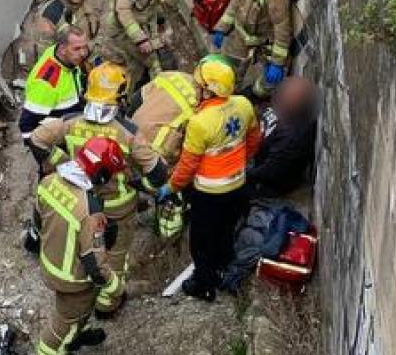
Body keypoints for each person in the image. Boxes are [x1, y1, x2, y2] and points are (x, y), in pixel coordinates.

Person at [26, 63, 139, 315]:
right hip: (118, 206)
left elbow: (36, 139)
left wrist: (62, 163)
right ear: (120, 97)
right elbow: (156, 173)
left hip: (81, 198)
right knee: (116, 254)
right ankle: (107, 304)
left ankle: (91, 294)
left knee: (88, 248)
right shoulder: (129, 133)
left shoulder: (70, 123)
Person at [27, 135, 127, 355]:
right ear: (101, 174)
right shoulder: (89, 211)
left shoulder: (50, 181)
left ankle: (76, 332)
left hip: (53, 260)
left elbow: (39, 220)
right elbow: (94, 263)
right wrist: (115, 287)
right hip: (73, 277)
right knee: (66, 319)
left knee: (75, 314)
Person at [163, 55, 261, 301]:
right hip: (238, 184)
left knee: (201, 241)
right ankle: (222, 266)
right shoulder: (243, 104)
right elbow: (253, 141)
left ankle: (204, 284)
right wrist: (237, 163)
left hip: (209, 193)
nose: (196, 88)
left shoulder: (200, 123)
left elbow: (188, 164)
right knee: (226, 230)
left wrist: (172, 186)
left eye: (199, 85)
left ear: (208, 90)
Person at [126, 69, 198, 239]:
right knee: (164, 184)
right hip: (161, 148)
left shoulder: (173, 76)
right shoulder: (204, 107)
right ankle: (168, 221)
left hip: (135, 133)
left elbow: (138, 98)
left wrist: (129, 125)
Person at [248, 75, 319, 197]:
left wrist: (238, 173)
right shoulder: (281, 105)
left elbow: (269, 171)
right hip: (250, 146)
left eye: (286, 93)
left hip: (261, 181)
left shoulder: (292, 137)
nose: (280, 92)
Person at [19, 27, 92, 136]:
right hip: (59, 136)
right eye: (77, 49)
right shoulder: (46, 83)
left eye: (85, 47)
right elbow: (26, 126)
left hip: (72, 120)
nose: (83, 53)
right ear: (62, 49)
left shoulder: (64, 56)